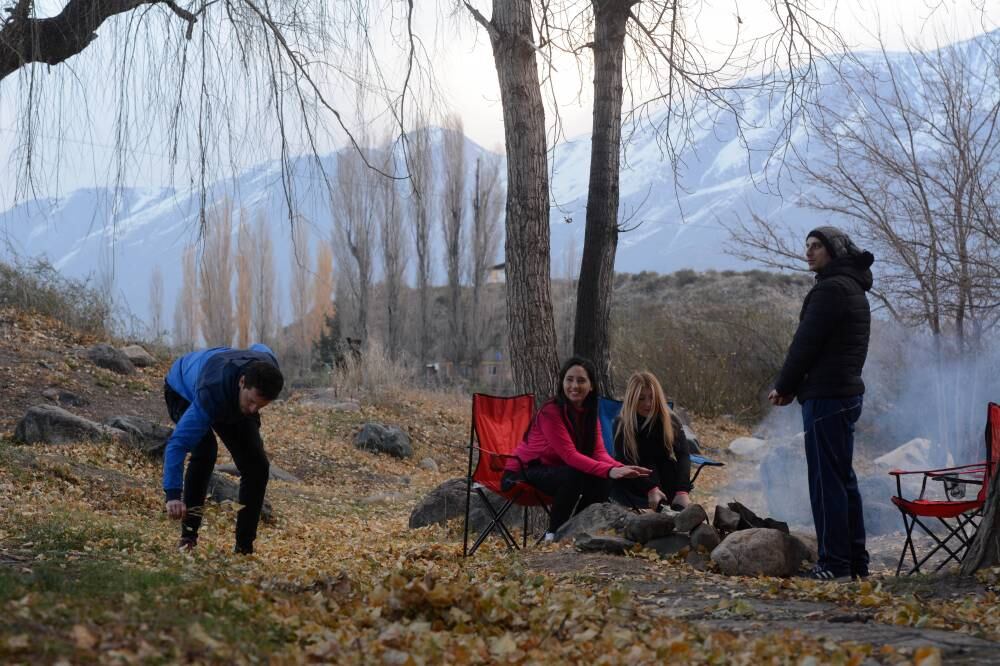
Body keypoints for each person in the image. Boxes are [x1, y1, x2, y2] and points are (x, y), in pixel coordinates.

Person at [768, 226, 874, 581]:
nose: (808, 252)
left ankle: (833, 563)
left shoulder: (831, 290)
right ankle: (855, 560)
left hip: (828, 396)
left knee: (826, 482)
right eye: (807, 245)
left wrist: (784, 386)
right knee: (843, 479)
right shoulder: (852, 286)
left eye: (816, 246)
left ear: (834, 250)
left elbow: (805, 344)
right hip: (845, 393)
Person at [501, 356, 650, 538]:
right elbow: (570, 456)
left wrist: (619, 468)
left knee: (602, 479)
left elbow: (598, 452)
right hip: (520, 474)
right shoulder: (551, 412)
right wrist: (609, 470)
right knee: (576, 473)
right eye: (569, 379)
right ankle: (554, 536)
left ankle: (577, 531)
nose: (574, 385)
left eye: (581, 380)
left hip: (553, 471)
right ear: (562, 382)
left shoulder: (588, 414)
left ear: (591, 385)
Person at [161, 344, 284, 555]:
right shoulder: (212, 391)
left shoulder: (267, 367)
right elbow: (177, 444)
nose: (254, 410)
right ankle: (188, 537)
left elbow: (260, 347)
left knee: (257, 466)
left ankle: (244, 549)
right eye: (252, 401)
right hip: (181, 388)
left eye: (261, 406)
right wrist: (172, 494)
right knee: (205, 451)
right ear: (242, 381)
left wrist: (249, 404)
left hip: (228, 389)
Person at [611, 371, 692, 512]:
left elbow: (684, 455)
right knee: (643, 466)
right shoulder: (622, 423)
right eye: (641, 398)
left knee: (668, 466)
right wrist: (651, 488)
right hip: (634, 478)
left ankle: (675, 513)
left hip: (665, 475)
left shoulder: (671, 420)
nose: (648, 404)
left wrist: (682, 491)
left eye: (652, 397)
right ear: (632, 399)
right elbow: (623, 461)